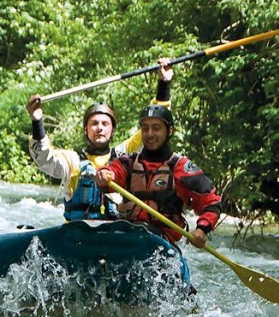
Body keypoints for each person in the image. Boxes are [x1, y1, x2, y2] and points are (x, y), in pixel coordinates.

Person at [25, 58, 175, 221]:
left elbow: (155, 122)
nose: (99, 128)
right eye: (94, 123)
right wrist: (37, 121)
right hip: (79, 234)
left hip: (115, 231)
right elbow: (43, 158)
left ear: (113, 130)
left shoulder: (124, 156)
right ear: (86, 129)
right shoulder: (72, 161)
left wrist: (164, 84)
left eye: (105, 123)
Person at [94, 104, 222, 249]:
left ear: (170, 130)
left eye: (156, 128)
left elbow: (212, 202)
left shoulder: (182, 169)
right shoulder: (128, 163)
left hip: (161, 243)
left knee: (144, 234)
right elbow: (111, 173)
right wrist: (104, 174)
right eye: (145, 128)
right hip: (127, 235)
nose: (149, 134)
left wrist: (202, 228)